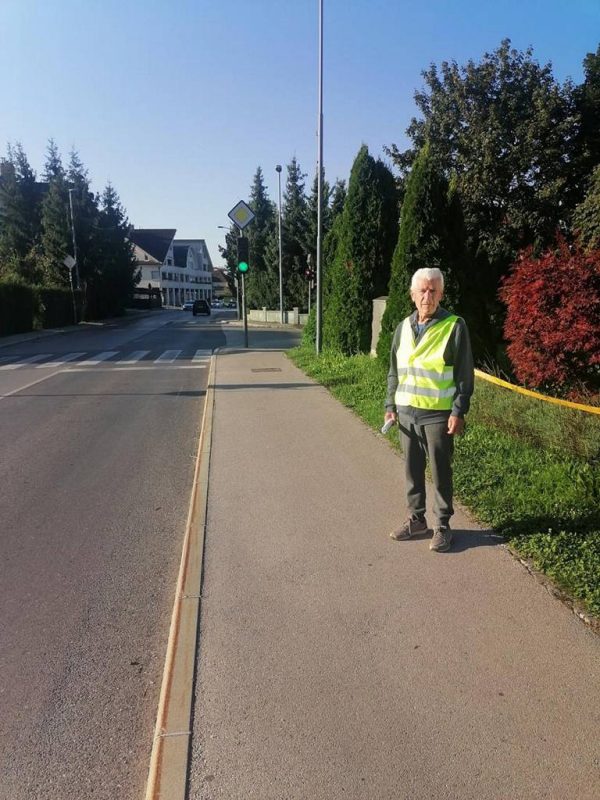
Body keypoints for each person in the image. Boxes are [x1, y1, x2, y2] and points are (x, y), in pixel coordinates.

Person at [384, 267, 474, 552]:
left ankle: (443, 525)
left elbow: (464, 374)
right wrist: (390, 405)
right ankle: (417, 519)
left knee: (440, 470)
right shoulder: (402, 328)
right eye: (422, 290)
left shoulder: (454, 326)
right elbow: (394, 371)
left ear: (441, 294)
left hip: (438, 414)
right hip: (406, 412)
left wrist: (458, 411)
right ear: (412, 295)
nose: (427, 296)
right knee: (412, 469)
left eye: (433, 290)